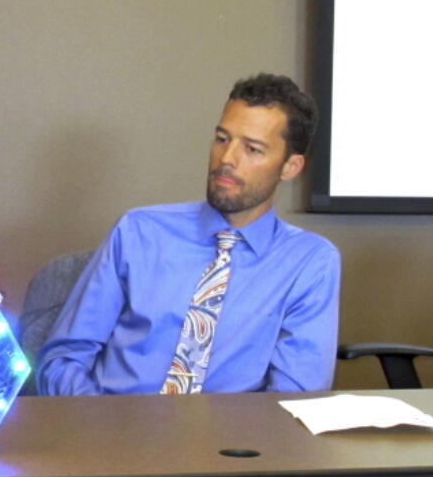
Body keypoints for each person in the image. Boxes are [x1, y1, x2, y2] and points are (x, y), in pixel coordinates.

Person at [37, 73, 340, 395]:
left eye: (252, 149)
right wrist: (100, 430)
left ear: (290, 167)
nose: (227, 160)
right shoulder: (139, 231)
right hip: (111, 428)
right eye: (223, 139)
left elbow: (295, 396)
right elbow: (63, 358)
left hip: (229, 442)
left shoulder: (310, 263)